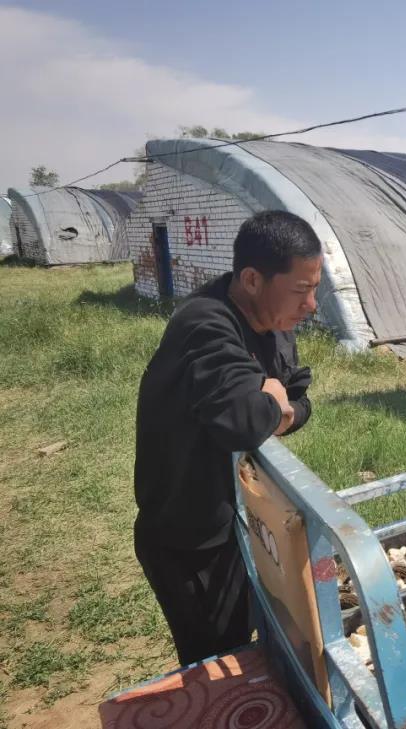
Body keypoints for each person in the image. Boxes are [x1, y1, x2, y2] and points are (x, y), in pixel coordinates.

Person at [133, 210, 320, 666]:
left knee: (257, 637)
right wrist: (272, 406)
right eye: (301, 290)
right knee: (218, 657)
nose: (311, 305)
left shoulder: (274, 327)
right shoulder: (205, 324)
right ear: (253, 279)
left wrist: (276, 405)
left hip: (244, 518)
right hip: (193, 539)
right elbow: (240, 422)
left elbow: (300, 399)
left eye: (316, 289)